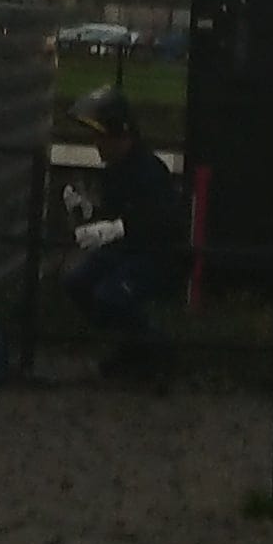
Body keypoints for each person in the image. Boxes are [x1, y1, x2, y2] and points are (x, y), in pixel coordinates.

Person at [61, 89, 180, 380]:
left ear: (120, 136)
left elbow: (162, 221)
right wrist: (87, 212)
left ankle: (153, 348)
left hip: (154, 256)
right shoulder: (115, 171)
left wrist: (120, 227)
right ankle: (132, 345)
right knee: (77, 283)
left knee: (110, 296)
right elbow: (112, 212)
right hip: (125, 252)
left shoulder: (149, 170)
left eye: (102, 137)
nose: (97, 144)